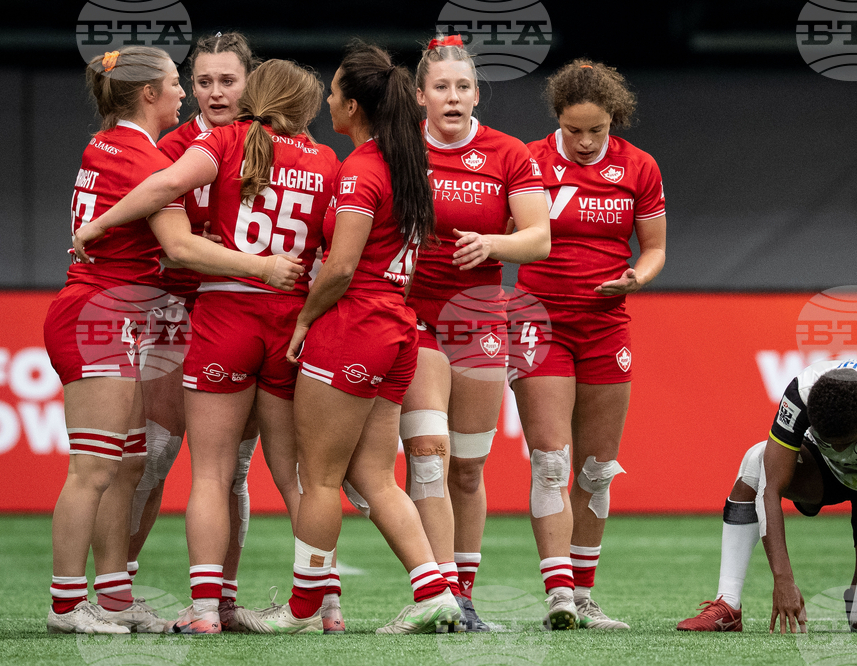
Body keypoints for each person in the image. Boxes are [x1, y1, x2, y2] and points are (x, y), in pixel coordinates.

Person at [73, 58, 335, 634]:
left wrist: (100, 226)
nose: (214, 91)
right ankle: (322, 601)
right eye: (200, 81)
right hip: (238, 313)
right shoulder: (321, 156)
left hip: (221, 311)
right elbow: (337, 248)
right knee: (272, 470)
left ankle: (203, 605)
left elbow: (168, 209)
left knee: (218, 471)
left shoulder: (215, 144)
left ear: (252, 87)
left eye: (228, 81)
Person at [234, 41, 460, 635]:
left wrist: (306, 319)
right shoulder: (407, 162)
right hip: (396, 330)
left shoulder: (362, 167)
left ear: (354, 106)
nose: (327, 100)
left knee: (322, 478)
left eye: (334, 93)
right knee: (373, 477)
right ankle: (436, 590)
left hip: (354, 326)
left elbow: (339, 268)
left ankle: (303, 610)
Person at [398, 34, 549, 631]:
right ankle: (436, 594)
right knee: (428, 459)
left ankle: (464, 595)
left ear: (476, 93)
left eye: (463, 87)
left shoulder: (508, 152)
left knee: (467, 466)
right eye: (442, 87)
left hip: (481, 317)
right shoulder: (400, 149)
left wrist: (493, 243)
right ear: (421, 96)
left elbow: (537, 238)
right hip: (412, 317)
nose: (453, 97)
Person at [511, 59, 667, 630]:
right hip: (538, 322)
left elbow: (653, 248)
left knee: (596, 470)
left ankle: (584, 594)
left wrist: (639, 277)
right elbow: (512, 232)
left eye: (595, 130)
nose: (583, 141)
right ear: (558, 119)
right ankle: (558, 593)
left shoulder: (639, 168)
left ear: (613, 121)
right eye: (573, 129)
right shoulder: (526, 159)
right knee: (551, 462)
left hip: (606, 326)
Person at [677, 360, 857, 635]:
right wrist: (783, 580)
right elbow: (770, 490)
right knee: (757, 460)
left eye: (848, 443)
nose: (841, 451)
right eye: (832, 442)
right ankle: (728, 604)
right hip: (823, 470)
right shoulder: (800, 395)